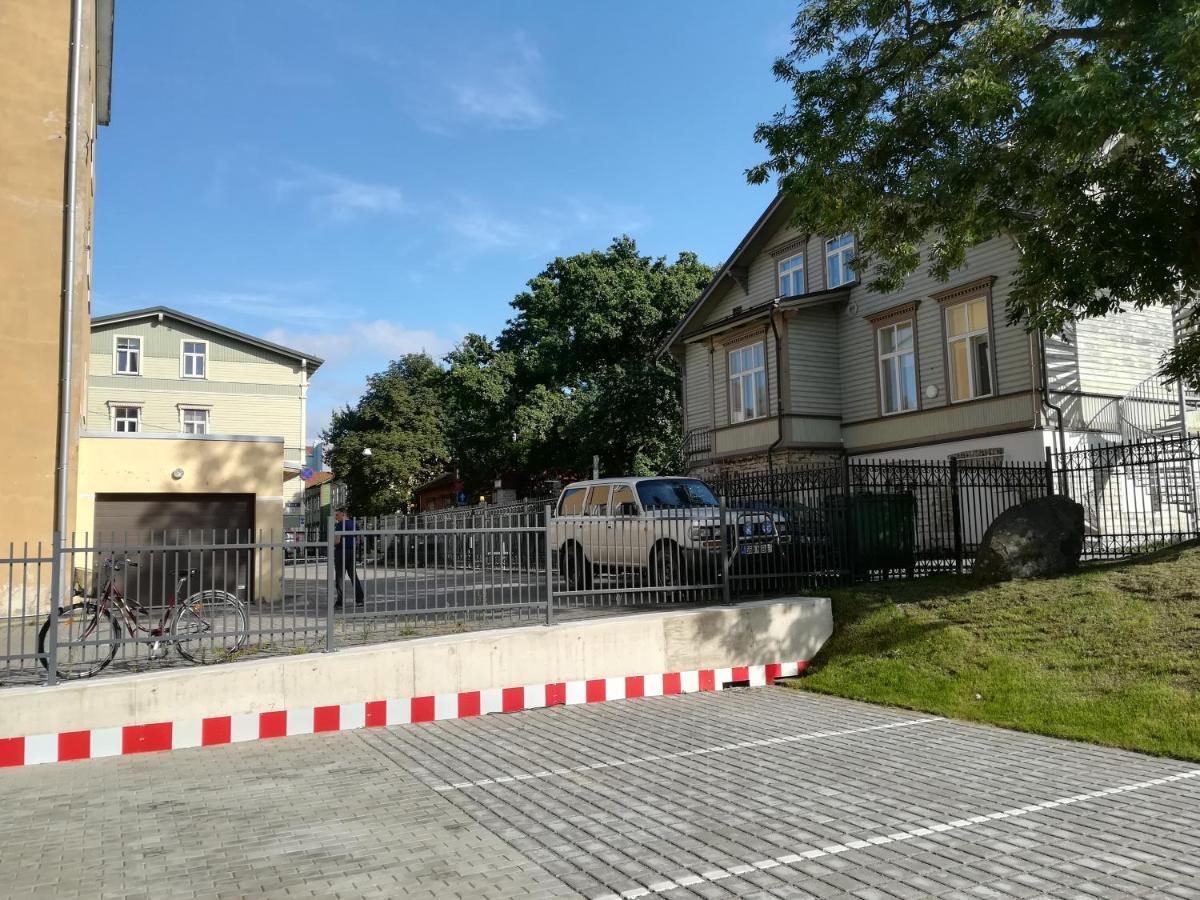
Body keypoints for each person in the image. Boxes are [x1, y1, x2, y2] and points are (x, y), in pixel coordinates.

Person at [333, 507, 365, 609]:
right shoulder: (354, 524)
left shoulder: (339, 525)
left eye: (337, 515)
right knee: (353, 576)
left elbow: (337, 541)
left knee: (340, 578)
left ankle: (340, 602)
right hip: (352, 552)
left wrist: (330, 544)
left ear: (343, 514)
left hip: (341, 552)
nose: (336, 517)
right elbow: (360, 540)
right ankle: (359, 600)